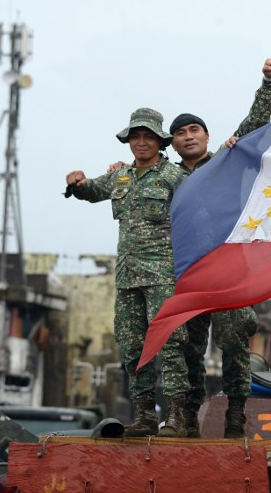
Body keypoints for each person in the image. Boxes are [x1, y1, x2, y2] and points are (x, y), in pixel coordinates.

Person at [107, 58, 271, 438]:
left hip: (229, 268)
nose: (188, 137)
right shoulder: (167, 175)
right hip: (187, 273)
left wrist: (269, 82)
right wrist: (122, 170)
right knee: (186, 346)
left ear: (206, 135)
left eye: (194, 130)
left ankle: (235, 414)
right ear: (171, 142)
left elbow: (255, 122)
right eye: (180, 133)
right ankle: (186, 417)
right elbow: (136, 180)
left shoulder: (225, 160)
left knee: (233, 342)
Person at [65, 108, 190, 438]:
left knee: (171, 345)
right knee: (133, 348)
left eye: (148, 136)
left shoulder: (173, 176)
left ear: (160, 141)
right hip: (127, 278)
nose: (141, 142)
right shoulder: (120, 177)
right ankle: (145, 416)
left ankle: (177, 417)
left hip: (163, 276)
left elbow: (197, 212)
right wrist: (77, 182)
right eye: (136, 137)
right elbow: (92, 190)